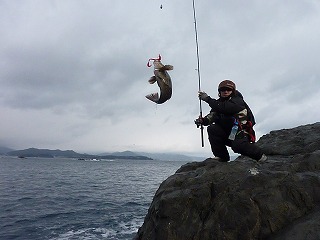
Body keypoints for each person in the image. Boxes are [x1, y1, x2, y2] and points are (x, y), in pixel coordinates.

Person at [195, 79, 267, 162]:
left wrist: (207, 99)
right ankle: (221, 157)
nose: (225, 91)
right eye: (222, 90)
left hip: (241, 133)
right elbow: (211, 117)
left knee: (237, 146)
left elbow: (225, 108)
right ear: (219, 92)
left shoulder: (238, 101)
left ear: (233, 91)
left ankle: (261, 156)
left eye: (228, 90)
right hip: (228, 134)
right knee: (212, 128)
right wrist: (202, 121)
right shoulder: (218, 104)